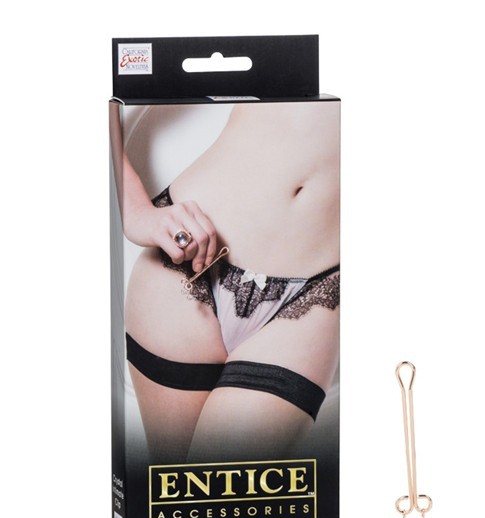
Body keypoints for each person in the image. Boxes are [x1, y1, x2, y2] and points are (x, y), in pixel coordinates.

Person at [110, 101, 340, 463]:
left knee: (223, 488)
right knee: (175, 490)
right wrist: (133, 210)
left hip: (313, 296)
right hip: (187, 261)